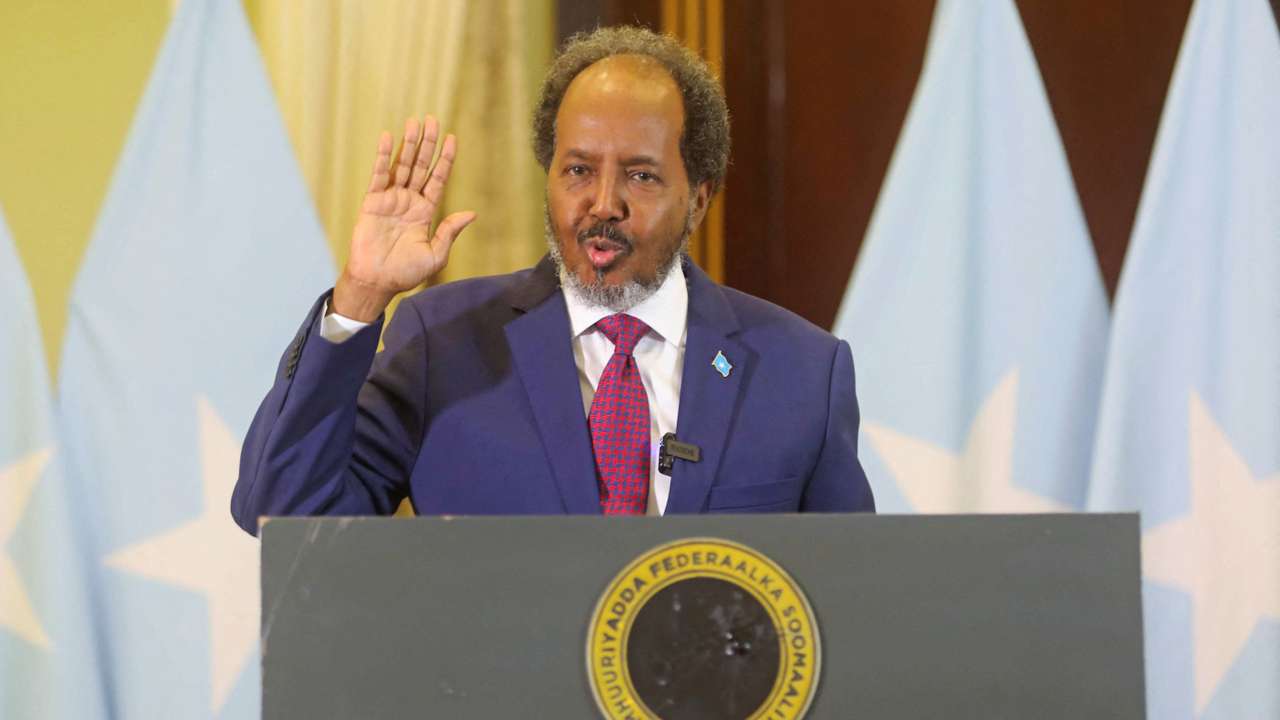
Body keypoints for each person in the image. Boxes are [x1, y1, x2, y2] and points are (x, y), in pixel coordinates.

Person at [231, 26, 873, 535]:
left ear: (698, 198)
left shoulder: (802, 372)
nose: (603, 204)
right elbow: (282, 512)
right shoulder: (444, 342)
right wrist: (360, 299)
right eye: (577, 171)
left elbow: (852, 601)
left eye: (641, 176)